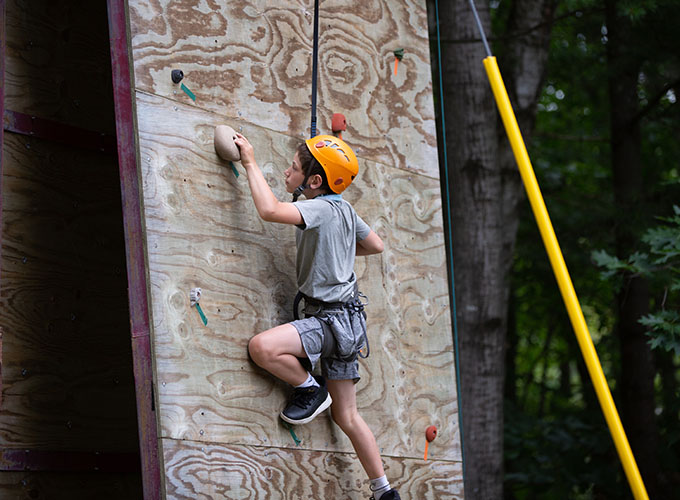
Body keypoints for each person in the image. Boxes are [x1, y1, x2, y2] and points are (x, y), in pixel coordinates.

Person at [232, 131, 401, 500]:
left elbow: (269, 210)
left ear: (314, 181)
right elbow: (376, 245)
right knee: (348, 416)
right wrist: (337, 248)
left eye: (293, 168)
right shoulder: (344, 209)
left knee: (263, 348)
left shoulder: (321, 208)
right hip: (351, 324)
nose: (287, 172)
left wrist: (249, 161)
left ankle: (310, 387)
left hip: (328, 321)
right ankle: (384, 490)